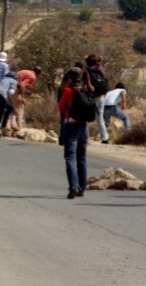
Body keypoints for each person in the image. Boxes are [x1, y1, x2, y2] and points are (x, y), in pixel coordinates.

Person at [58, 67, 89, 199]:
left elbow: (61, 108)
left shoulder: (67, 91)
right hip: (84, 126)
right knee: (81, 158)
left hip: (71, 126)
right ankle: (82, 188)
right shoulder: (86, 90)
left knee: (70, 157)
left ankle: (73, 187)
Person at [85, 54, 109, 144]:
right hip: (101, 98)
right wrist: (98, 62)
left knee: (86, 118)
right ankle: (105, 138)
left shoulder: (87, 71)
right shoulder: (100, 70)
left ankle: (85, 138)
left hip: (91, 98)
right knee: (100, 119)